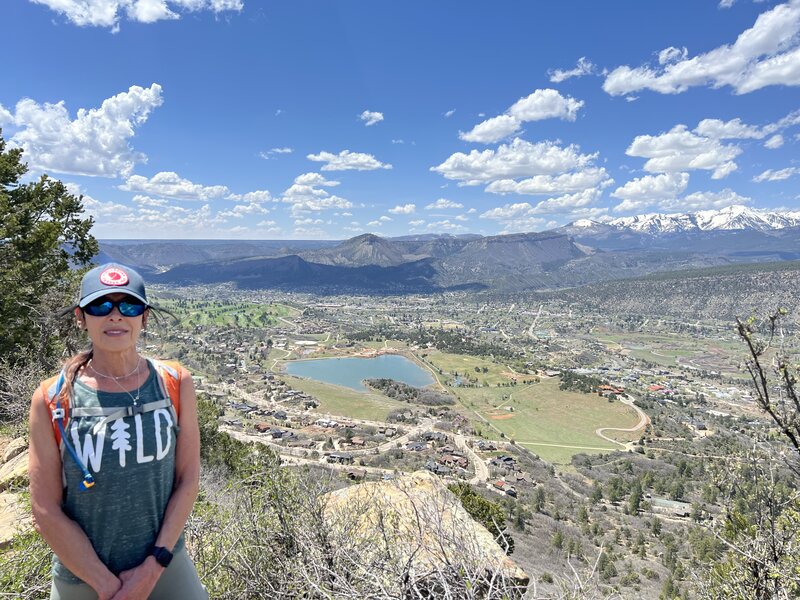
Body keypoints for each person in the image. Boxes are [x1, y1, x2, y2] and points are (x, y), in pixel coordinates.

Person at [28, 263, 207, 600]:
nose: (115, 315)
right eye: (100, 306)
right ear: (81, 317)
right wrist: (110, 587)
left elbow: (188, 477)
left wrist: (152, 567)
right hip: (82, 578)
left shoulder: (174, 383)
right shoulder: (53, 399)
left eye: (128, 305)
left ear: (144, 317)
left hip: (165, 565)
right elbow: (45, 508)